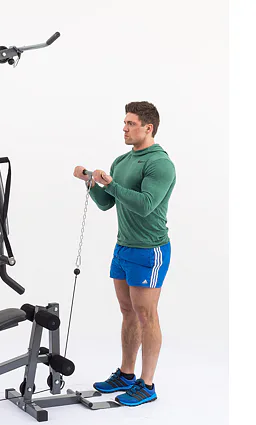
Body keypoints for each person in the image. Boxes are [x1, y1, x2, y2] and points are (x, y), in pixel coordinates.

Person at [73, 101, 176, 407]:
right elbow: (108, 203)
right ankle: (126, 374)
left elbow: (145, 204)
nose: (125, 128)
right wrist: (91, 183)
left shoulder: (160, 164)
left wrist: (111, 185)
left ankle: (147, 385)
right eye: (125, 123)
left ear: (148, 128)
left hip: (149, 250)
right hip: (123, 247)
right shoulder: (121, 161)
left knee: (147, 315)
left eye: (131, 124)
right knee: (127, 311)